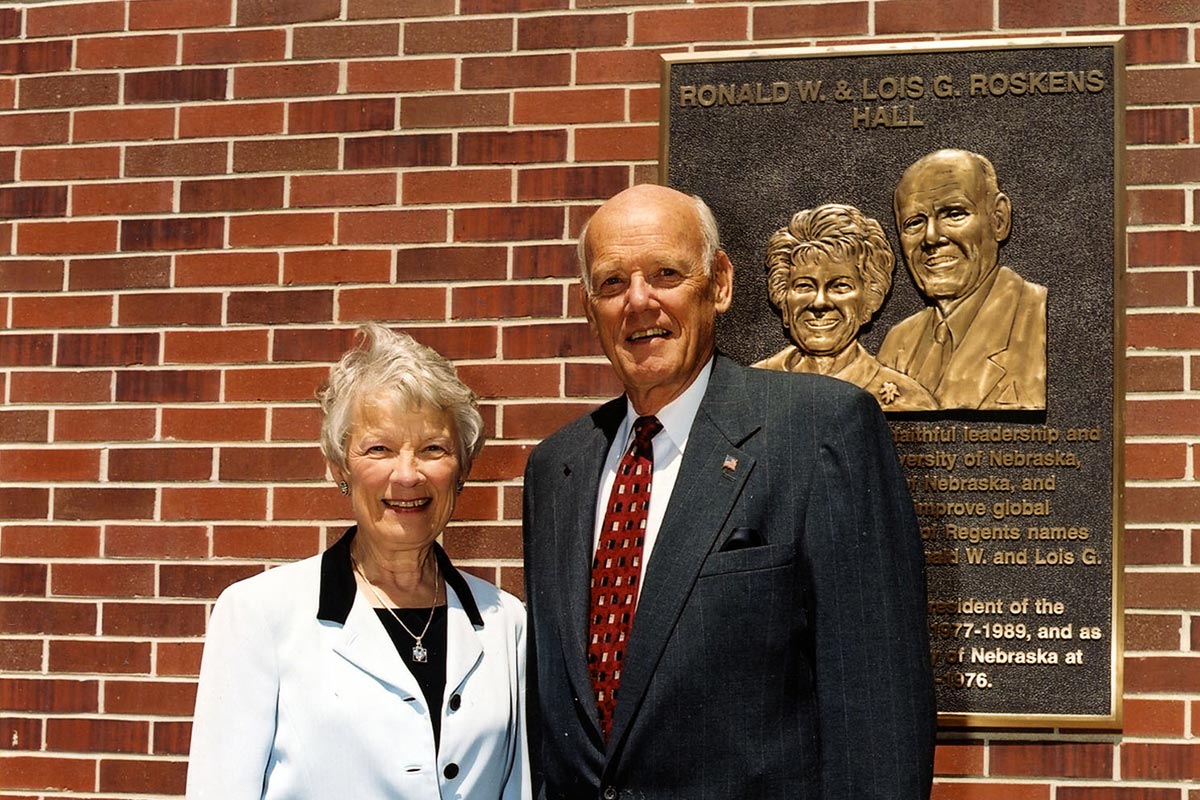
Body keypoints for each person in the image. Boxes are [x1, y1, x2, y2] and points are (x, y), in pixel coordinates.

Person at [522, 184, 935, 799]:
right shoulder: (556, 469)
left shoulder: (820, 432)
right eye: (612, 284)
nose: (640, 302)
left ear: (718, 284)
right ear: (589, 309)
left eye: (666, 274)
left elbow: (876, 713)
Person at [187, 323, 528, 800]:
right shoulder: (257, 614)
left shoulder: (506, 623)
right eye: (379, 449)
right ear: (339, 466)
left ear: (463, 468)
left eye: (433, 448)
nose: (407, 474)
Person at [877, 148, 1047, 410]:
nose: (931, 238)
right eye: (914, 223)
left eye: (954, 213)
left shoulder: (1035, 317)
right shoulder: (897, 343)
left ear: (998, 219)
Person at [753, 202, 935, 411]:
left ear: (869, 300)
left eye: (840, 286)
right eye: (804, 286)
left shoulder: (909, 400)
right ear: (784, 298)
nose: (820, 302)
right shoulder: (749, 393)